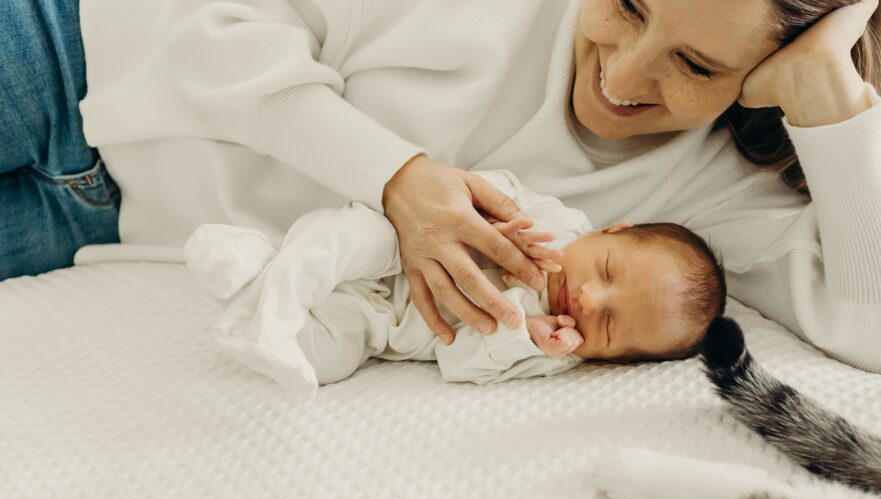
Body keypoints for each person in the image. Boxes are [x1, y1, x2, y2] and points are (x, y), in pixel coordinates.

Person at [2, 0, 881, 376]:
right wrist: (397, 180)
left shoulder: (708, 187)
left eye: (697, 66)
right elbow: (221, 28)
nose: (626, 77)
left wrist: (830, 90)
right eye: (627, 5)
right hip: (66, 54)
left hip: (93, 222)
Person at [184, 170, 726, 393]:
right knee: (345, 241)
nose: (588, 298)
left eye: (607, 325)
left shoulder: (551, 353)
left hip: (384, 325)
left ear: (609, 359)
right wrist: (495, 221)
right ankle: (277, 295)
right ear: (610, 230)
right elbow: (490, 187)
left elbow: (458, 362)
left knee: (325, 360)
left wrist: (524, 334)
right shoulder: (553, 223)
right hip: (393, 250)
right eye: (607, 270)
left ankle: (250, 272)